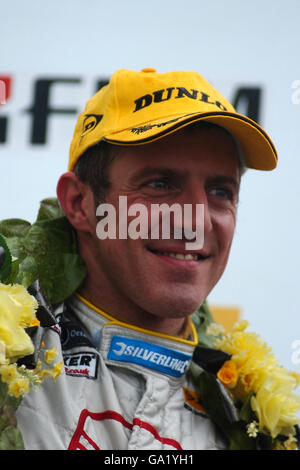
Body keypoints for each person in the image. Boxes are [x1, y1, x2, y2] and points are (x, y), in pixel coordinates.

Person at [15, 68, 277, 450]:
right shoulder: (13, 356)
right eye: (160, 185)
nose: (197, 221)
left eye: (220, 191)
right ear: (79, 203)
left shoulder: (254, 417)